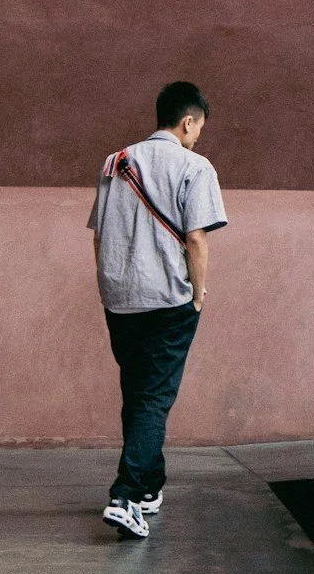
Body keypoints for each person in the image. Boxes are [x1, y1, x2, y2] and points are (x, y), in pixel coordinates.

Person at [88, 82, 226, 539]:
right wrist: (200, 293)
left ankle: (149, 485)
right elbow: (196, 237)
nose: (198, 137)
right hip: (169, 299)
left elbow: (98, 234)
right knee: (154, 397)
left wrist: (110, 285)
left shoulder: (116, 162)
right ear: (187, 121)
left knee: (139, 391)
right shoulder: (194, 166)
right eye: (198, 128)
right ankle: (125, 496)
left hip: (121, 300)